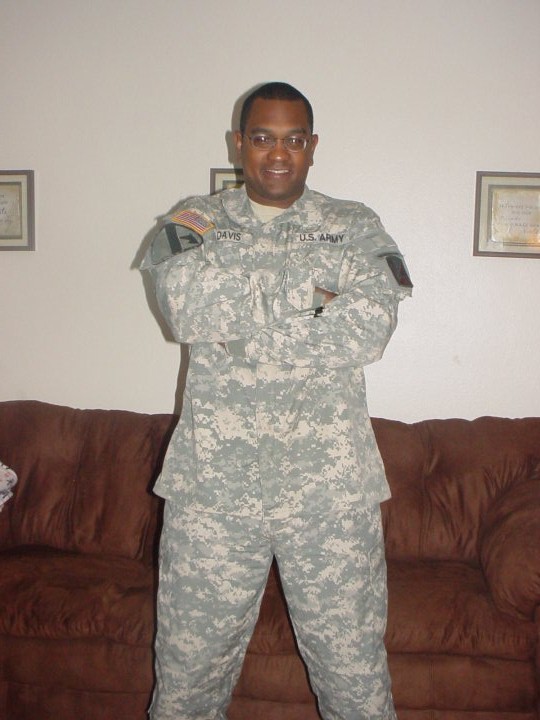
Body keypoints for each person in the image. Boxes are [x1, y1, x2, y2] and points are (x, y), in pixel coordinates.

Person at [141, 82, 412, 720]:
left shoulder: (354, 224)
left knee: (355, 683)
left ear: (313, 146)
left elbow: (369, 329)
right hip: (213, 494)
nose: (278, 154)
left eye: (293, 139)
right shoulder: (193, 220)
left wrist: (238, 317)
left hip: (329, 495)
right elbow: (186, 309)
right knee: (186, 685)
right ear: (238, 144)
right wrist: (317, 299)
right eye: (263, 138)